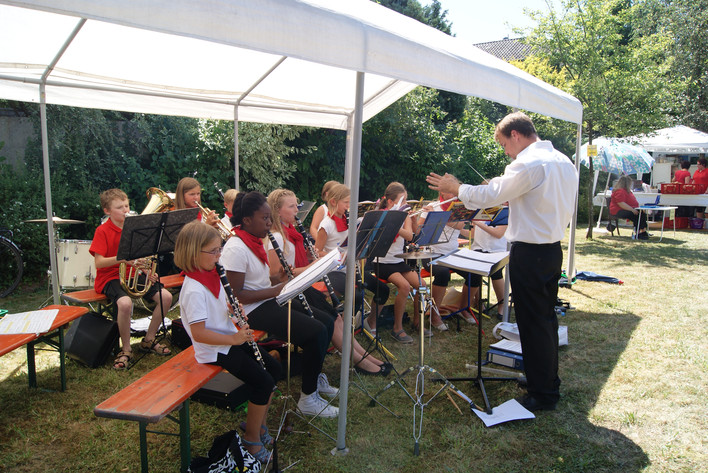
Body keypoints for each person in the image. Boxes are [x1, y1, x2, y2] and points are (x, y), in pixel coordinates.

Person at [426, 111, 578, 412]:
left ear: (515, 135)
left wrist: (457, 188)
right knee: (545, 319)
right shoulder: (563, 161)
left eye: (504, 144)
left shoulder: (529, 162)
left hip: (531, 252)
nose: (506, 152)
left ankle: (542, 393)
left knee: (532, 323)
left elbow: (492, 194)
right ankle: (545, 380)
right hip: (551, 250)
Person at [220, 191, 339, 417]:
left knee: (326, 322)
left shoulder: (254, 240)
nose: (269, 223)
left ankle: (314, 377)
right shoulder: (236, 247)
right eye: (265, 218)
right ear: (247, 220)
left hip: (267, 300)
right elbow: (236, 295)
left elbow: (261, 280)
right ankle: (308, 399)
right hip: (250, 311)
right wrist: (276, 289)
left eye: (269, 217)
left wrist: (280, 279)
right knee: (316, 332)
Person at [173, 221, 280, 465]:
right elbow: (199, 333)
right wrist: (233, 338)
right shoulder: (193, 289)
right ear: (193, 253)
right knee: (263, 381)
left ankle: (258, 425)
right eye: (213, 251)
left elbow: (217, 308)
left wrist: (231, 308)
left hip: (228, 338)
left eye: (219, 249)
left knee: (273, 369)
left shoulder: (211, 274)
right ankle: (252, 440)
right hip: (213, 349)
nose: (219, 255)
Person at [267, 189, 391, 376]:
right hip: (288, 293)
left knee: (337, 318)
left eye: (296, 205)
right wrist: (316, 265)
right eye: (291, 206)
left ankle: (364, 356)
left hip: (301, 287)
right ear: (277, 210)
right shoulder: (277, 237)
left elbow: (293, 264)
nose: (297, 210)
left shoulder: (290, 232)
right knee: (331, 321)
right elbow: (277, 276)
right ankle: (360, 362)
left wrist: (310, 257)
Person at [89, 188, 172, 370]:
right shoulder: (102, 231)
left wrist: (148, 272)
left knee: (166, 297)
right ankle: (126, 349)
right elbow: (99, 263)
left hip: (132, 273)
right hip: (109, 277)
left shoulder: (134, 229)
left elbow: (138, 258)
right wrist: (123, 258)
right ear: (107, 211)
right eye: (119, 207)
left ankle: (149, 339)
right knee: (125, 303)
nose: (125, 210)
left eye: (126, 206)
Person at [370, 182, 427, 344]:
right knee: (404, 286)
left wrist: (397, 224)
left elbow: (410, 236)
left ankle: (417, 322)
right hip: (382, 262)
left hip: (398, 260)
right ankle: (397, 328)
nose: (406, 204)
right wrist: (390, 221)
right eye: (402, 200)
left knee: (422, 285)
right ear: (390, 201)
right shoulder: (380, 215)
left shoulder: (404, 215)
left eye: (406, 200)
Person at [610, 175, 649, 240]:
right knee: (637, 215)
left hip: (627, 209)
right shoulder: (620, 191)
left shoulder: (627, 191)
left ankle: (643, 231)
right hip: (619, 210)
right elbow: (621, 203)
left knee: (641, 213)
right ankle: (640, 232)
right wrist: (632, 209)